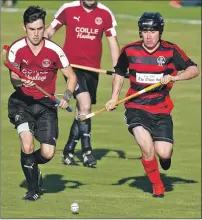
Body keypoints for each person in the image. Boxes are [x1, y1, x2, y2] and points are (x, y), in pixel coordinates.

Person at [105, 12, 200, 197]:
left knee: (163, 153)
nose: (149, 35)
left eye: (153, 31)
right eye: (145, 31)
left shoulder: (171, 51)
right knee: (146, 147)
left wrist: (174, 77)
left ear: (160, 32)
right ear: (140, 32)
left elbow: (194, 69)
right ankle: (158, 187)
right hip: (136, 108)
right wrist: (114, 98)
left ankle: (164, 160)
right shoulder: (130, 50)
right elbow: (119, 73)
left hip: (161, 109)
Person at [7, 5, 77, 201]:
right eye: (31, 29)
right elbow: (13, 77)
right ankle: (33, 189)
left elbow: (71, 76)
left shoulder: (55, 50)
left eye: (39, 29)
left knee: (47, 153)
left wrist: (66, 96)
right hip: (22, 103)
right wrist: (21, 81)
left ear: (44, 27)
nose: (36, 34)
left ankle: (31, 165)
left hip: (46, 105)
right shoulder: (16, 48)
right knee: (27, 144)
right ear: (25, 28)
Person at [44, 0, 120, 168]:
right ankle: (87, 152)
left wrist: (118, 68)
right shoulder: (68, 9)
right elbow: (49, 31)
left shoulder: (105, 13)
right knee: (85, 105)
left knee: (81, 111)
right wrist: (41, 46)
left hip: (92, 71)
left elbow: (112, 43)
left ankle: (68, 151)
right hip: (71, 69)